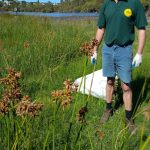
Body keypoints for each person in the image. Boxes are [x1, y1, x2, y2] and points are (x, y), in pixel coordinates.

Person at [91, 0, 148, 134]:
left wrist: (139, 53)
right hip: (108, 49)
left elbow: (141, 29)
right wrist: (94, 49)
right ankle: (108, 109)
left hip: (125, 50)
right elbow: (101, 28)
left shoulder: (134, 4)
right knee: (110, 81)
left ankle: (129, 118)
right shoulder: (107, 4)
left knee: (126, 86)